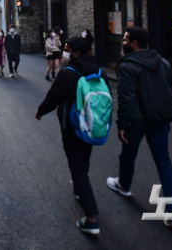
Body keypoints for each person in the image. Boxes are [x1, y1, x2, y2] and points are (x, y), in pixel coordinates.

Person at [106, 27, 172, 228]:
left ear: (133, 43)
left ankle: (124, 185)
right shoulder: (163, 62)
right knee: (163, 161)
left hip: (137, 121)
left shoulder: (128, 65)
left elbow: (126, 97)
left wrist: (121, 124)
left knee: (128, 153)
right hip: (160, 119)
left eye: (125, 39)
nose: (122, 42)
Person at [36, 37, 105, 235]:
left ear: (75, 53)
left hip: (72, 125)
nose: (64, 52)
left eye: (67, 49)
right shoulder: (99, 71)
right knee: (84, 158)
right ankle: (78, 189)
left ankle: (91, 218)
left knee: (77, 166)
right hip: (93, 124)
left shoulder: (68, 74)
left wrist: (40, 112)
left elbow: (53, 97)